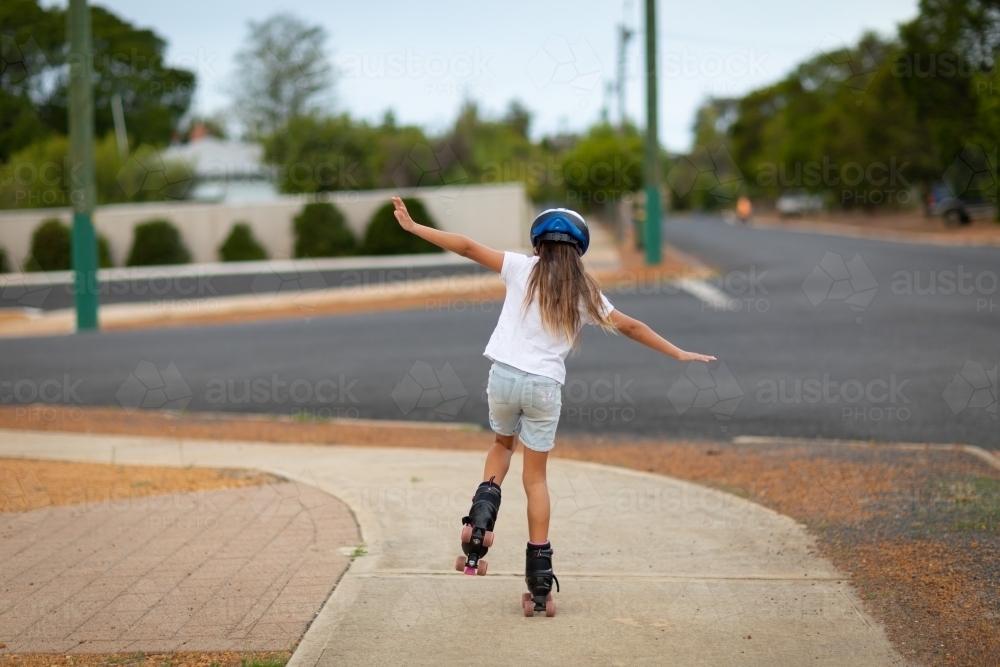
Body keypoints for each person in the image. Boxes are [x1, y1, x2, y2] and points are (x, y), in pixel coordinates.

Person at [390, 198, 716, 617]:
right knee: (536, 480)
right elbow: (632, 326)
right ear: (578, 249)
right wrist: (678, 353)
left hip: (504, 378)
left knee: (501, 448)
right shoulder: (586, 292)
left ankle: (479, 525)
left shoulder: (520, 268)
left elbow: (469, 248)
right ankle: (539, 584)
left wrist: (416, 227)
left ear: (537, 243)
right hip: (545, 389)